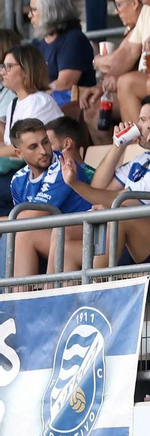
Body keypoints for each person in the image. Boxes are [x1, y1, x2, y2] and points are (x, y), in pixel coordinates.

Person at [8, 118, 93, 279]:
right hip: (55, 241)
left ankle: (27, 298)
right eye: (33, 147)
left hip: (87, 238)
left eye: (45, 142)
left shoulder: (64, 165)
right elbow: (19, 223)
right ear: (19, 153)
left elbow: (29, 218)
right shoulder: (17, 180)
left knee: (25, 234)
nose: (43, 150)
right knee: (18, 236)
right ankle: (17, 299)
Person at [0, 43, 64, 154]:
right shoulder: (13, 104)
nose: (2, 72)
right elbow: (9, 145)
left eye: (9, 67)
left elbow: (25, 147)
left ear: (26, 70)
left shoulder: (41, 102)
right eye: (2, 67)